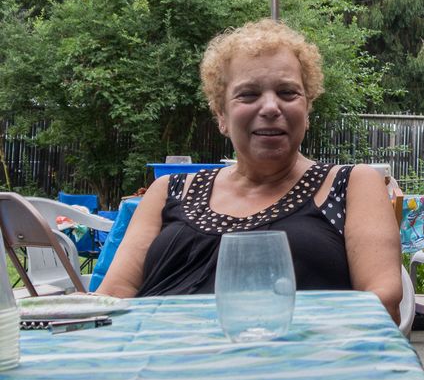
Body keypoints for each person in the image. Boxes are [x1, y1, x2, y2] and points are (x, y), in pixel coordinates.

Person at [97, 19, 402, 322]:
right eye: (248, 94)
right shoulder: (168, 190)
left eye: (287, 92)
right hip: (157, 358)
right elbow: (114, 294)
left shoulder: (350, 185)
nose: (270, 107)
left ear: (307, 110)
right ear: (221, 115)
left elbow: (382, 300)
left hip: (296, 363)